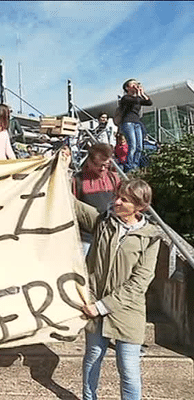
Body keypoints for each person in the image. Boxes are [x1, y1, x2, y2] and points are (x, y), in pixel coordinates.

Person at [75, 178, 161, 400]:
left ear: (140, 207)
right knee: (92, 360)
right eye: (117, 196)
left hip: (127, 312)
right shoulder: (103, 221)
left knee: (129, 370)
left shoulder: (150, 237)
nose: (117, 202)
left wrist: (102, 306)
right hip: (95, 306)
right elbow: (72, 204)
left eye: (124, 199)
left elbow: (139, 282)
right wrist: (59, 168)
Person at [72, 143, 121, 256]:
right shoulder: (78, 181)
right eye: (99, 165)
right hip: (86, 238)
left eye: (106, 165)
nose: (103, 169)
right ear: (89, 162)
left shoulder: (113, 178)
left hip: (109, 235)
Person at [118, 79, 152, 172]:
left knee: (139, 146)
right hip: (128, 122)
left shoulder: (137, 98)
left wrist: (142, 93)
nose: (135, 86)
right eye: (132, 85)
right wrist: (138, 93)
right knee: (132, 145)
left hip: (137, 123)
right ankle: (130, 167)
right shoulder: (125, 98)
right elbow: (135, 101)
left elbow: (149, 102)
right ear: (127, 88)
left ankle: (135, 166)